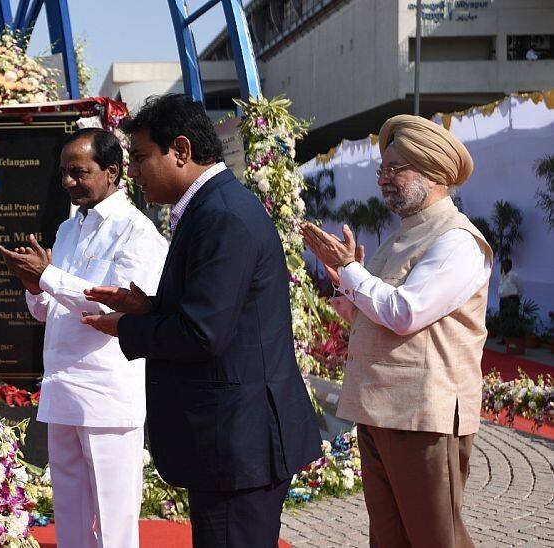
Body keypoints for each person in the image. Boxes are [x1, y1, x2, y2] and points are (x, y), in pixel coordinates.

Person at [81, 93, 321, 547]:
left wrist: (124, 328)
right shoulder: (209, 208)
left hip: (237, 441)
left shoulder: (222, 215)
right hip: (229, 439)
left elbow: (202, 334)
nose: (132, 173)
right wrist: (147, 308)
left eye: (140, 157)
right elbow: (216, 311)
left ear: (182, 151)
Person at [302, 114, 489, 547]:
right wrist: (345, 285)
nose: (384, 179)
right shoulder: (403, 235)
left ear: (436, 173)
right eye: (381, 170)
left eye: (395, 169)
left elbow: (406, 313)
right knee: (389, 540)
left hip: (423, 416)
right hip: (381, 409)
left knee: (434, 539)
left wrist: (352, 271)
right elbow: (379, 319)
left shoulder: (457, 240)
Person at [0, 127, 167, 548]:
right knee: (70, 511)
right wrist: (35, 287)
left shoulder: (137, 232)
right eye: (64, 173)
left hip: (107, 392)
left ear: (112, 172)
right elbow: (47, 311)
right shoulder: (68, 228)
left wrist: (49, 277)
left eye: (79, 172)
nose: (68, 182)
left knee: (114, 518)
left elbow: (117, 310)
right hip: (63, 387)